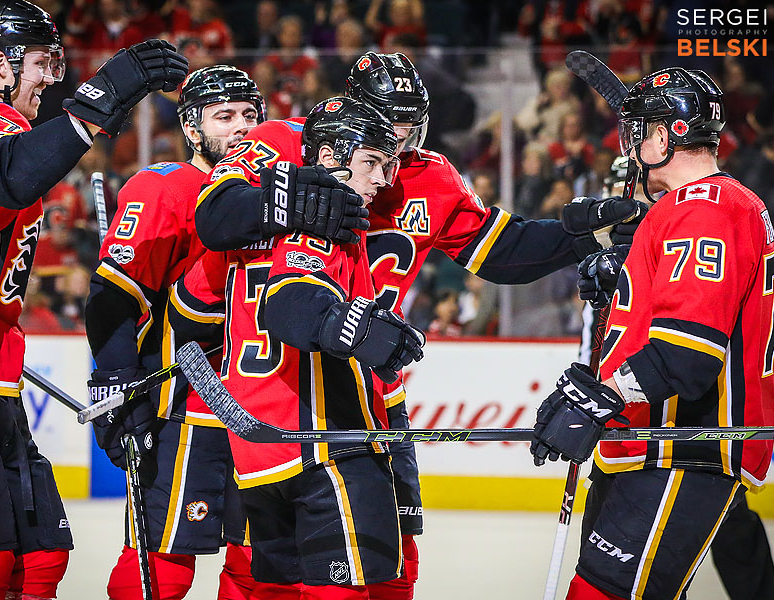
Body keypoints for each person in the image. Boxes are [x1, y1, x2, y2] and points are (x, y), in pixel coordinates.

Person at [192, 50, 646, 600]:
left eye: (410, 127)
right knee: (274, 569)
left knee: (392, 561)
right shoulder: (284, 144)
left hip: (373, 389)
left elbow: (501, 251)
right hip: (287, 387)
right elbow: (216, 220)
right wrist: (296, 198)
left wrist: (584, 233)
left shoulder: (427, 175)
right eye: (388, 129)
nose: (399, 146)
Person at [0, 1, 188, 598]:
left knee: (41, 554)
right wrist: (102, 96)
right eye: (43, 63)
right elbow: (9, 177)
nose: (52, 77)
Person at [530, 67, 774, 600]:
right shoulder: (694, 210)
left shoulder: (707, 212)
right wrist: (621, 281)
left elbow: (685, 354)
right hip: (652, 446)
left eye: (640, 130)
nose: (634, 143)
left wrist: (599, 400)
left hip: (682, 449)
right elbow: (665, 318)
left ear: (666, 136)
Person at [170, 96, 424, 598]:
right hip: (324, 441)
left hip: (258, 447)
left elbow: (188, 310)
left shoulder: (247, 234)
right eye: (372, 163)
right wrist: (354, 327)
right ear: (328, 156)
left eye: (388, 164)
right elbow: (289, 305)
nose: (382, 181)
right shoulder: (325, 222)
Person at [84, 64, 267, 600]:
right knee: (163, 561)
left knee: (259, 563)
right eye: (224, 116)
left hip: (261, 406)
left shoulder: (269, 199)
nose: (242, 129)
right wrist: (117, 380)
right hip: (183, 407)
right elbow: (113, 297)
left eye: (251, 116)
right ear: (192, 128)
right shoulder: (167, 187)